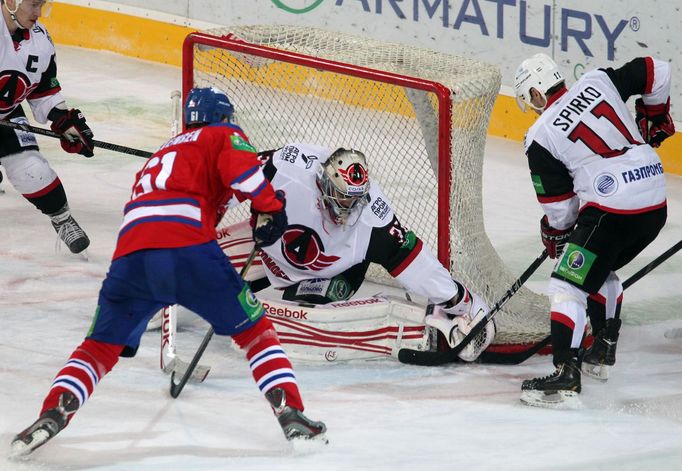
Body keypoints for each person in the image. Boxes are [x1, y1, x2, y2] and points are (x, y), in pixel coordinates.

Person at [11, 87, 327, 458]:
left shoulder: (162, 153)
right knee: (256, 334)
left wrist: (260, 214)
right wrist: (271, 209)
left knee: (98, 347)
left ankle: (52, 413)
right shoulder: (223, 135)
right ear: (224, 118)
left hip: (131, 257)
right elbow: (247, 178)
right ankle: (291, 413)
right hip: (189, 249)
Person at [223, 143, 495, 362]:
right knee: (197, 265)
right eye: (343, 197)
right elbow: (231, 180)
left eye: (355, 199)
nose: (349, 205)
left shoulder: (372, 218)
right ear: (326, 184)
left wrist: (461, 300)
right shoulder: (287, 166)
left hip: (329, 277)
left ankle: (406, 327)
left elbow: (413, 262)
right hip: (267, 249)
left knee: (308, 315)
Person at [513, 53, 670, 408]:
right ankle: (602, 350)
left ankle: (565, 375)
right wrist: (655, 115)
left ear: (536, 93)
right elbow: (658, 69)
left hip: (613, 208)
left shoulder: (539, 136)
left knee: (566, 282)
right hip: (655, 200)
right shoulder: (598, 80)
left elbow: (561, 211)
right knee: (600, 264)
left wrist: (556, 236)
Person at [1, 0, 94, 254]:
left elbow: (43, 90)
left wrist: (63, 120)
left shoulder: (41, 42)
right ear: (12, 2)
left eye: (41, 5)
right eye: (33, 5)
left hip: (5, 114)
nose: (38, 13)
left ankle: (62, 218)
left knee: (32, 169)